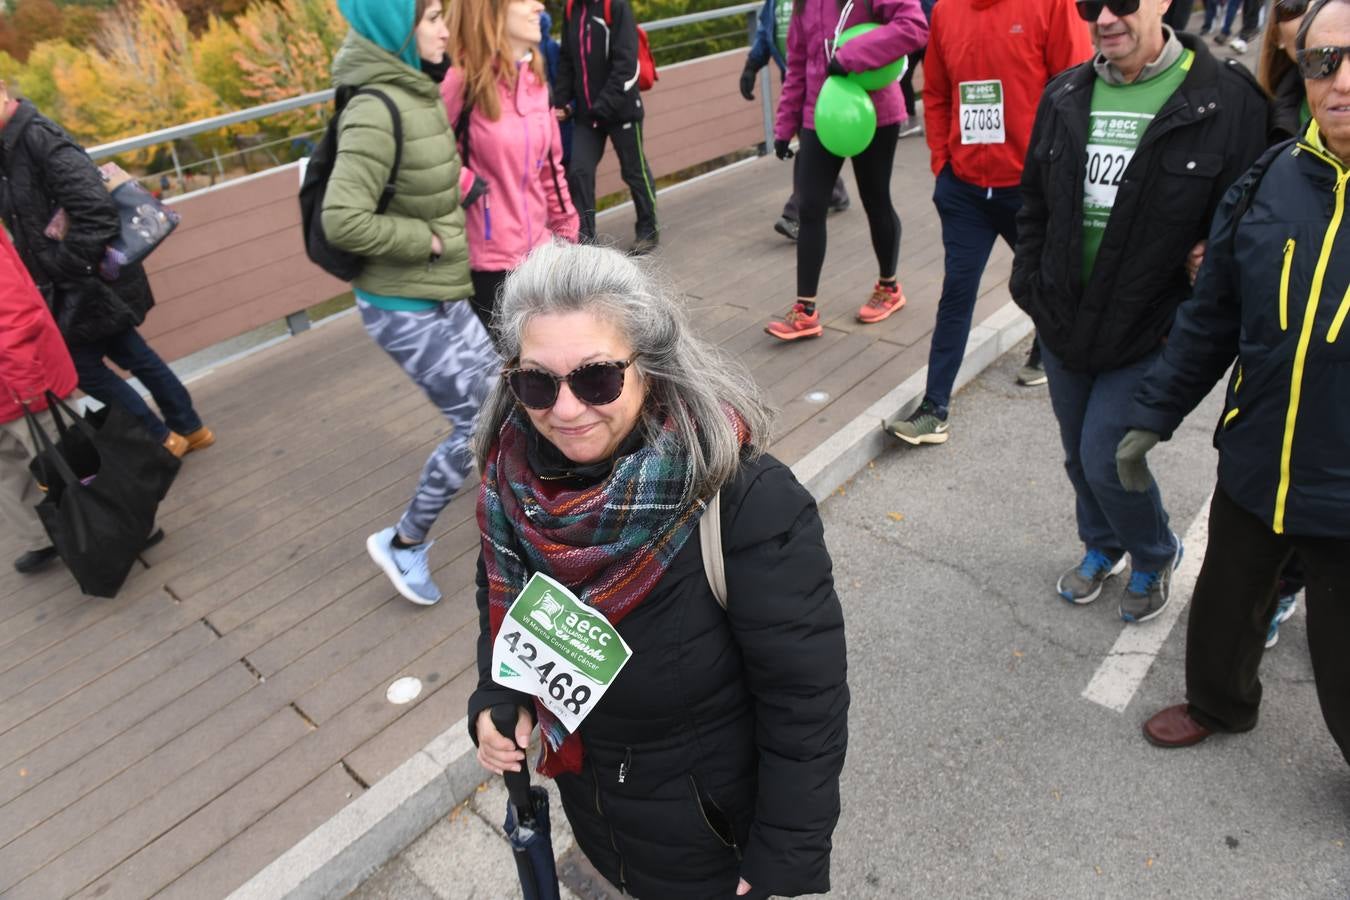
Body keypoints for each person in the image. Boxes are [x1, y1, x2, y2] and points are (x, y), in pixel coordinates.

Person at [468, 241, 848, 899]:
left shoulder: (745, 500)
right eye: (536, 382)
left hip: (712, 847)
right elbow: (500, 605)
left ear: (653, 368)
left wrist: (781, 862)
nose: (563, 410)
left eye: (596, 377)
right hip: (599, 822)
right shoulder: (515, 488)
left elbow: (804, 700)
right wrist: (498, 697)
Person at [1123, 0, 1350, 765]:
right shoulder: (1270, 179)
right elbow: (1211, 315)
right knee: (1224, 606)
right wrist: (1154, 414)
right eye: (1322, 62)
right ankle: (1219, 703)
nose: (1340, 81)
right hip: (1257, 461)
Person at [1009, 0, 1270, 623]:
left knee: (1109, 455)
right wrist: (1032, 286)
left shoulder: (1225, 99)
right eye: (1088, 4)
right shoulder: (1065, 93)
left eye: (1122, 2)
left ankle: (1154, 553)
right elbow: (1034, 206)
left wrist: (1211, 265)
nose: (1103, 16)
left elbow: (1255, 207)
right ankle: (1102, 545)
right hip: (1066, 319)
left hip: (1151, 326)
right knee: (1078, 454)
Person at [324, 0, 498, 606]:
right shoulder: (375, 106)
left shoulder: (415, 89)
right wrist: (420, 239)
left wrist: (457, 190)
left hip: (440, 289)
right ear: (396, 30)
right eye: (430, 18)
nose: (445, 28)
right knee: (475, 424)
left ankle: (526, 515)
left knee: (501, 397)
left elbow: (415, 174)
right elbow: (342, 217)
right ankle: (404, 542)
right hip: (401, 303)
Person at [884, 0, 1091, 444]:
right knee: (957, 291)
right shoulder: (946, 11)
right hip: (965, 190)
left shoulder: (1052, 5)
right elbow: (936, 92)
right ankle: (934, 407)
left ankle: (1048, 352)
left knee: (1047, 283)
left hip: (1030, 187)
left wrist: (1055, 173)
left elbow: (1079, 88)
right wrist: (943, 161)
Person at [0, 82, 213, 461]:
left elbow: (95, 208)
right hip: (77, 277)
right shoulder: (11, 145)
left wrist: (66, 267)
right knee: (129, 349)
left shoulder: (37, 138)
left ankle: (160, 438)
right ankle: (190, 428)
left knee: (81, 366)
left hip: (80, 277)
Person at [766, 0, 929, 340]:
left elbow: (913, 26)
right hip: (820, 115)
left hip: (873, 113)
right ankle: (805, 311)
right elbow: (797, 65)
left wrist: (849, 57)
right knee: (809, 207)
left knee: (876, 200)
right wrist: (784, 126)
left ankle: (889, 287)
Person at [442, 0, 580, 336]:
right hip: (487, 266)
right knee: (513, 372)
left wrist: (568, 233)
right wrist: (464, 184)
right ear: (489, 10)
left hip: (542, 256)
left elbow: (551, 168)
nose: (539, 7)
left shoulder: (536, 82)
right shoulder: (459, 82)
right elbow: (416, 157)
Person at [0, 227, 78, 575]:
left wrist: (26, 380)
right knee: (8, 472)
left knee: (69, 458)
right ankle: (43, 537)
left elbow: (12, 309)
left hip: (21, 378)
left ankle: (127, 523)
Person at [740, 0, 851, 242]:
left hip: (830, 82)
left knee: (811, 152)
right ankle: (835, 192)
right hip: (795, 80)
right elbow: (765, 32)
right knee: (812, 147)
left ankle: (795, 214)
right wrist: (751, 66)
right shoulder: (774, 2)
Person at [554, 0, 659, 254]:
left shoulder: (616, 6)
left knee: (634, 171)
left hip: (621, 107)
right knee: (579, 171)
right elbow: (567, 60)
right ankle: (586, 240)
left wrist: (602, 106)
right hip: (587, 115)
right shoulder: (572, 9)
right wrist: (560, 101)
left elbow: (627, 64)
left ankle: (647, 228)